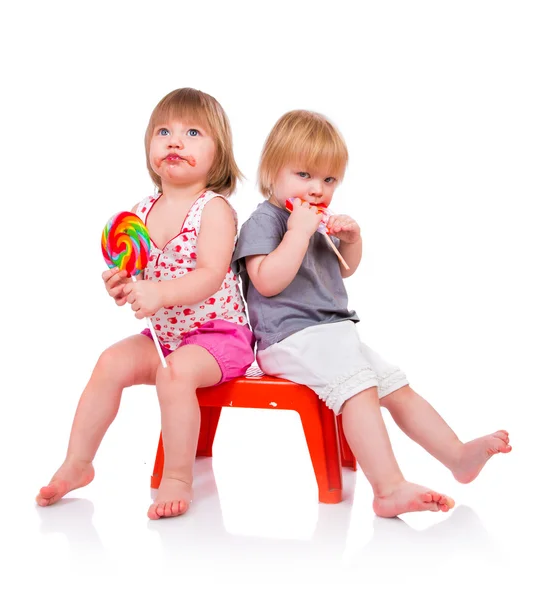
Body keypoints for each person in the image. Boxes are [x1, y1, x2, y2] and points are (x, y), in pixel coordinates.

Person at [232, 110, 511, 518]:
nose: (317, 189)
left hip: (334, 334)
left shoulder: (314, 222)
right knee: (359, 387)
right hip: (289, 338)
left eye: (329, 180)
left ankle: (457, 456)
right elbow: (267, 281)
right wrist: (297, 233)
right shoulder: (266, 221)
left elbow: (345, 269)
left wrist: (351, 241)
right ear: (272, 171)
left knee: (395, 386)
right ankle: (388, 488)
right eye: (304, 175)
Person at [37, 88, 254, 519]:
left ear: (220, 154)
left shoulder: (214, 210)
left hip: (219, 338)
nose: (174, 141)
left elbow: (210, 275)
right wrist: (124, 285)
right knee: (110, 362)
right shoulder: (139, 212)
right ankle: (78, 463)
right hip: (163, 336)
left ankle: (176, 476)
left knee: (174, 376)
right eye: (163, 132)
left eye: (192, 132)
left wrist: (159, 293)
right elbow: (139, 277)